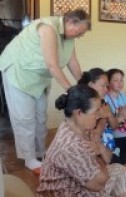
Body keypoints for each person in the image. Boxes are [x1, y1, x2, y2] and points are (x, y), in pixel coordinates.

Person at [0, 9, 90, 171]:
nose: (78, 36)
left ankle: (41, 151)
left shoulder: (69, 37)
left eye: (81, 35)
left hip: (38, 77)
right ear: (70, 21)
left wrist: (84, 86)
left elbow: (73, 63)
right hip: (19, 70)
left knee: (41, 116)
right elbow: (52, 65)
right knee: (25, 118)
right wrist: (72, 92)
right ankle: (29, 158)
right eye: (78, 32)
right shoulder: (48, 28)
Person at [36, 85, 126, 197]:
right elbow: (99, 184)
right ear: (79, 113)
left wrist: (97, 150)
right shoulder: (72, 146)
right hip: (69, 192)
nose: (99, 116)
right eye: (96, 112)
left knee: (119, 170)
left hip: (75, 185)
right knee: (113, 176)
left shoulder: (71, 126)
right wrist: (98, 154)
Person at [78, 68, 126, 169]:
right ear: (91, 85)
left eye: (107, 86)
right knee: (105, 161)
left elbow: (115, 125)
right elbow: (90, 133)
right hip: (98, 147)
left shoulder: (104, 102)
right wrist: (99, 129)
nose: (106, 89)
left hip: (109, 142)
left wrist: (109, 115)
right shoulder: (83, 105)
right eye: (103, 86)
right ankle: (123, 168)